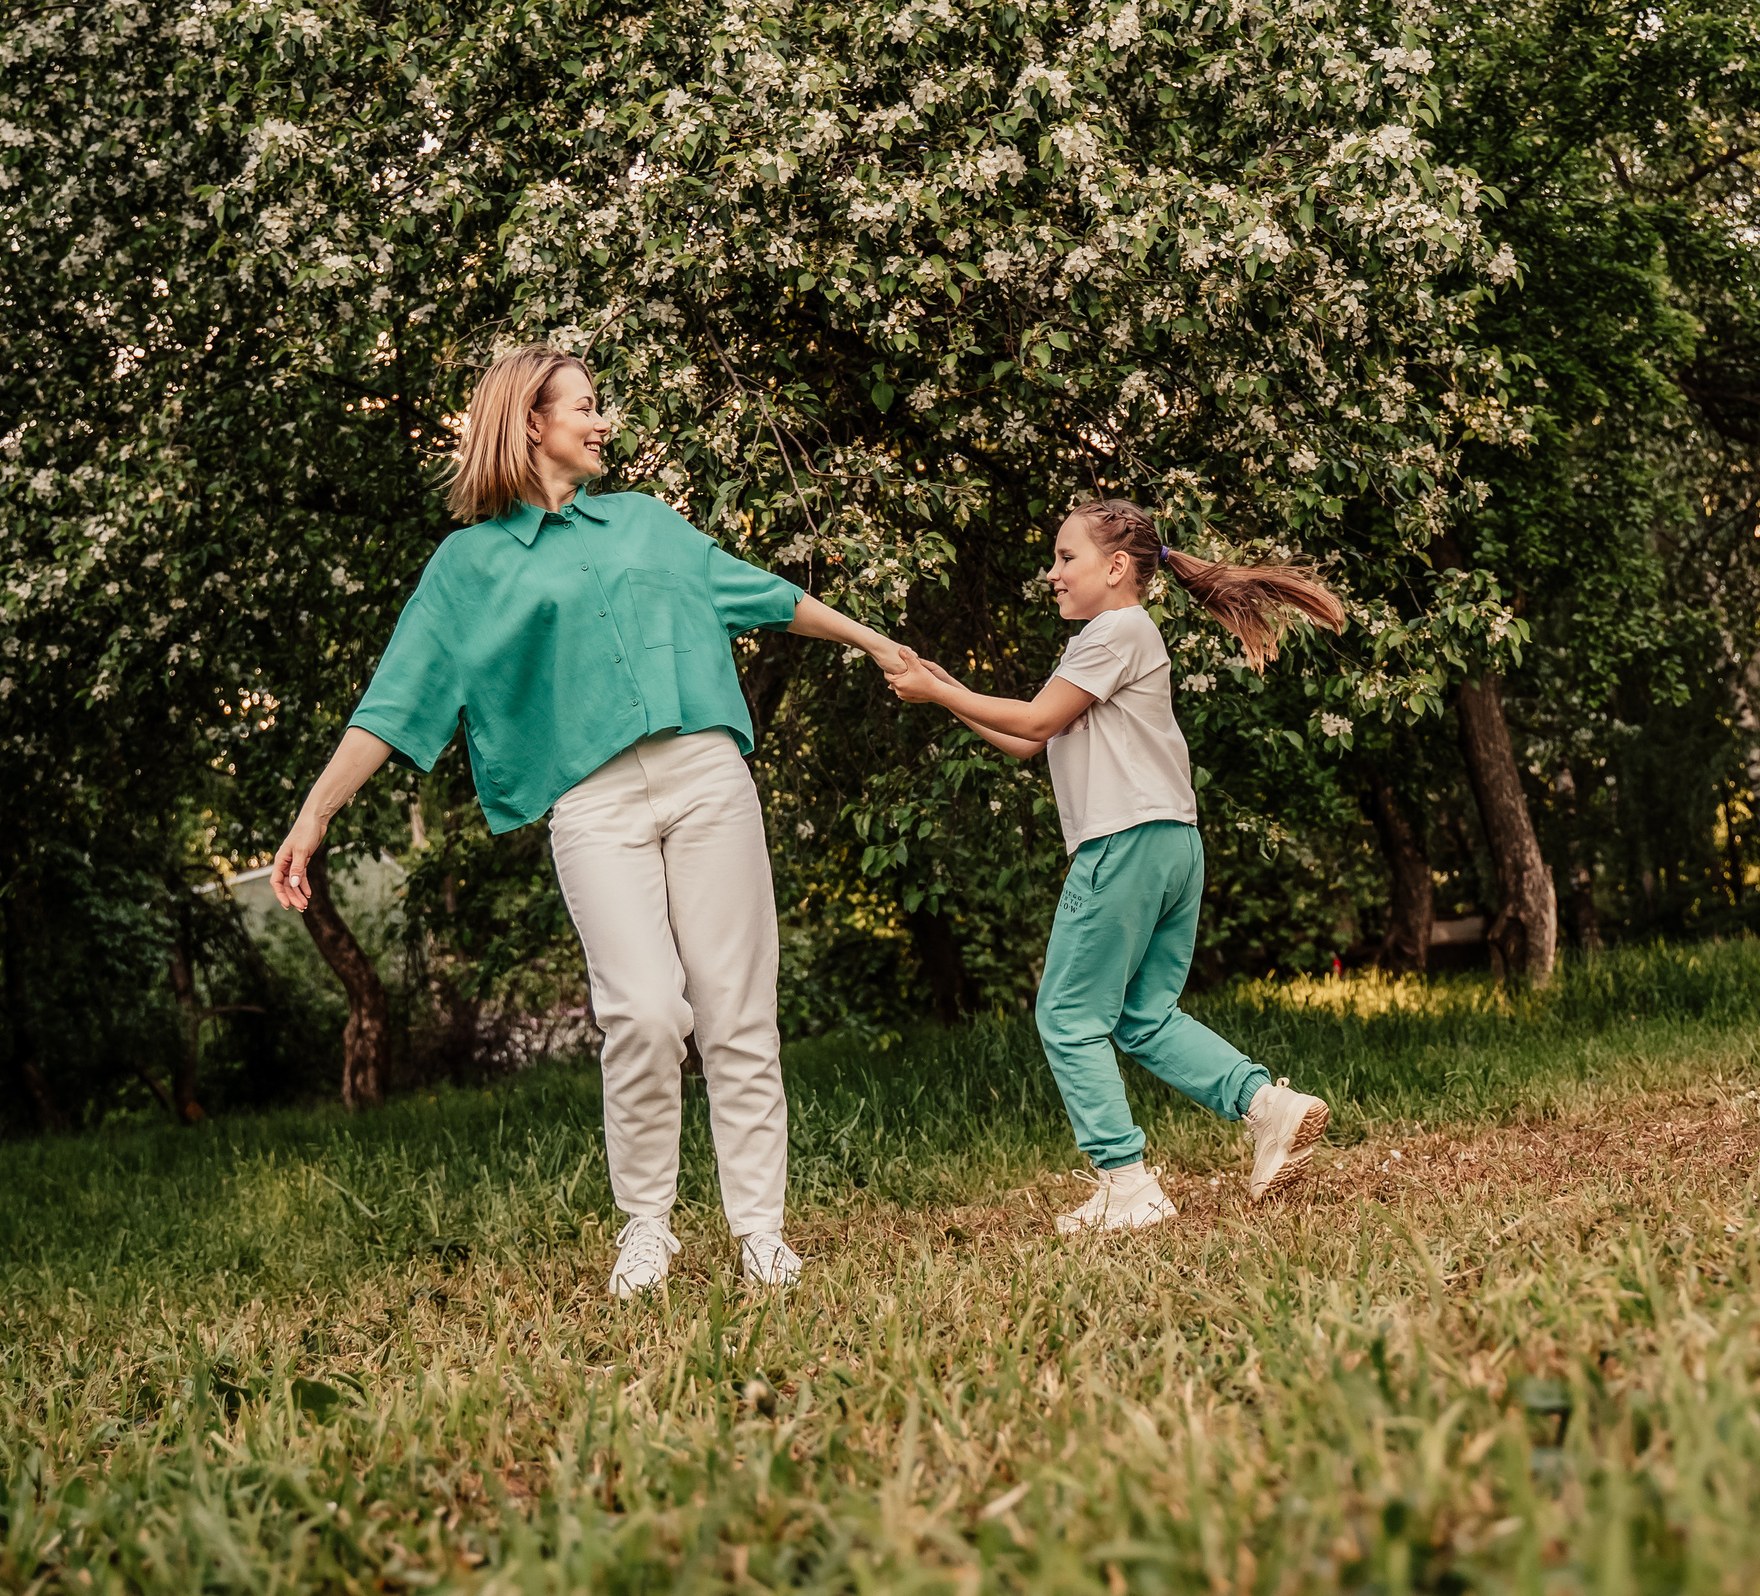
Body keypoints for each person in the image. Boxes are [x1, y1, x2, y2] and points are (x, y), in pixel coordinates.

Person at [271, 348, 913, 1297]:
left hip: (705, 776)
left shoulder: (646, 523)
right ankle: (647, 1227)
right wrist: (313, 816)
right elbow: (395, 699)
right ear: (531, 423)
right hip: (594, 804)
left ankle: (761, 1233)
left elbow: (762, 592)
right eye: (584, 406)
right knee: (645, 1011)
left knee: (738, 1014)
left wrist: (871, 639)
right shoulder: (468, 566)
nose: (602, 420)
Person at [887, 499, 1346, 1234]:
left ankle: (1125, 1182)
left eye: (1066, 557)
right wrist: (946, 693)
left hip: (1123, 845)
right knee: (1141, 1015)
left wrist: (940, 690)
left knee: (1068, 1016)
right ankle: (1269, 1106)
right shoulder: (1121, 636)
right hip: (1170, 844)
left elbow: (1036, 720)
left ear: (1116, 566)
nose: (1053, 573)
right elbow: (1030, 739)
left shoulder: (1115, 629)